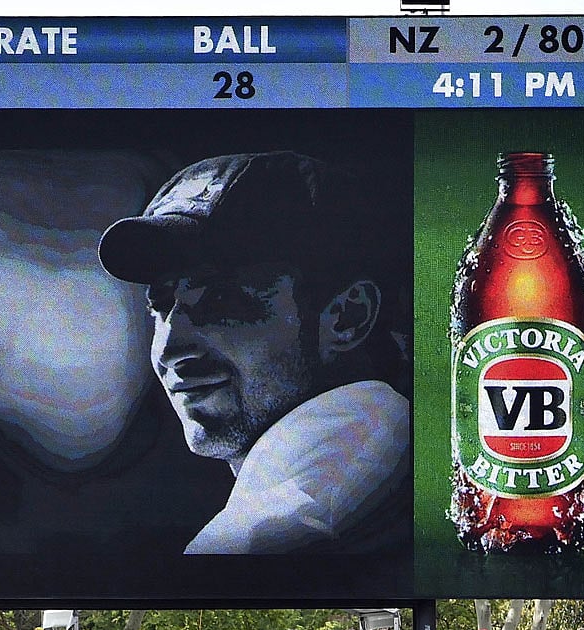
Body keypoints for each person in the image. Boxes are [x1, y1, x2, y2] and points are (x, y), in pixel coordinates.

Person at [98, 150, 409, 555]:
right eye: (160, 304)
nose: (171, 347)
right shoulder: (390, 468)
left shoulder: (269, 535)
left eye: (223, 297)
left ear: (347, 316)